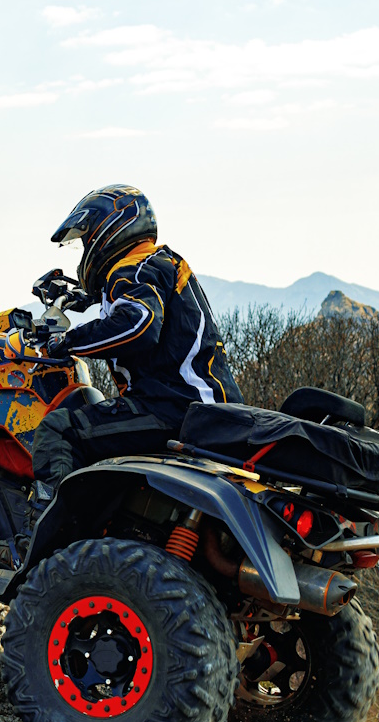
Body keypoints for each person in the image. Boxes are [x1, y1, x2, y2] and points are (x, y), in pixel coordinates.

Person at [28, 184, 243, 509]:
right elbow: (134, 306)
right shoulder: (154, 264)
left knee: (60, 431)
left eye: (85, 242)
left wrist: (67, 341)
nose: (84, 253)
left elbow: (138, 324)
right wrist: (89, 299)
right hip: (204, 411)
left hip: (177, 409)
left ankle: (37, 546)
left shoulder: (132, 267)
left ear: (108, 230)